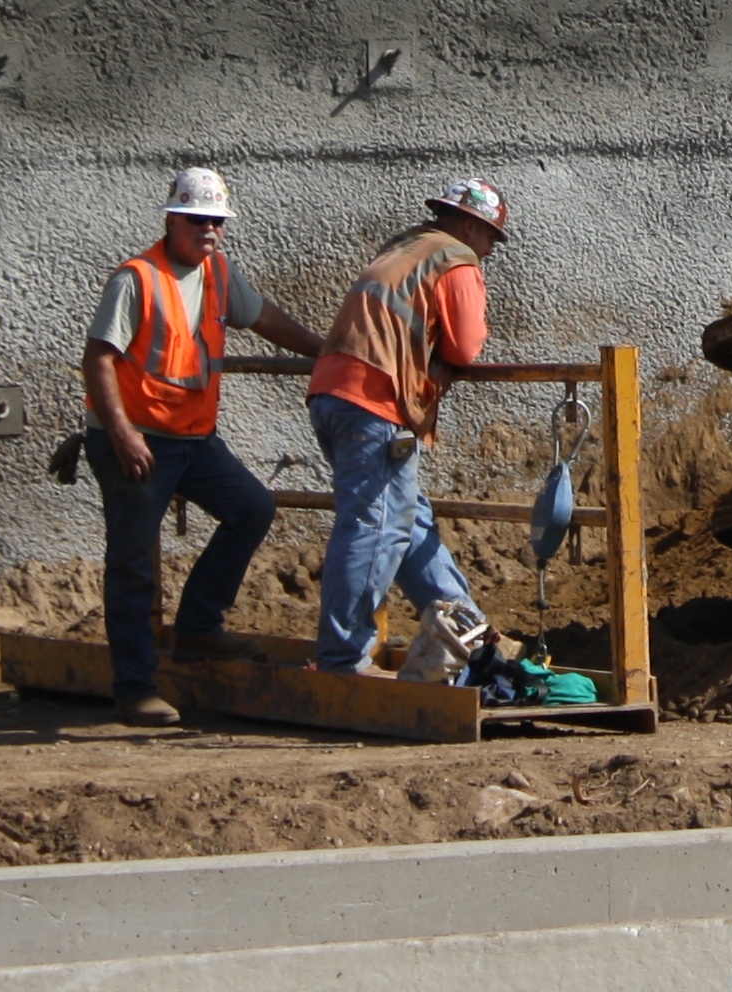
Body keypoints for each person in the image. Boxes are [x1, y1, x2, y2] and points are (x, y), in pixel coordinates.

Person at [80, 165, 328, 725]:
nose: (209, 231)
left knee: (251, 508)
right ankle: (135, 689)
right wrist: (120, 433)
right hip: (139, 440)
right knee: (134, 563)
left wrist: (325, 352)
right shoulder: (137, 278)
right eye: (198, 221)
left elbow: (262, 316)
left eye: (216, 222)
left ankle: (198, 628)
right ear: (173, 219)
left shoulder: (217, 271)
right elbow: (99, 359)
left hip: (193, 439)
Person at [304, 178, 511, 683]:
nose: (489, 252)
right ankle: (342, 663)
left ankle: (472, 639)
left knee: (408, 524)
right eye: (490, 240)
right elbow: (465, 347)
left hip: (336, 392)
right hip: (373, 402)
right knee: (374, 527)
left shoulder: (405, 246)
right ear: (470, 226)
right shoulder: (456, 258)